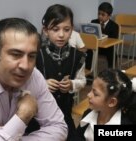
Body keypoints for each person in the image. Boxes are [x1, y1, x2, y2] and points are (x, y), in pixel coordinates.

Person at [34, 4, 86, 141]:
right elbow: (25, 84)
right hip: (38, 116)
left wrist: (72, 84)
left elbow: (82, 81)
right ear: (45, 30)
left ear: (72, 30)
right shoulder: (35, 55)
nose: (61, 35)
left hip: (65, 114)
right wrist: (42, 84)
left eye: (66, 29)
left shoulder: (78, 56)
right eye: (55, 29)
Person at [76, 69, 136, 141]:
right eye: (91, 89)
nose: (88, 95)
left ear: (112, 102)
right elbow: (77, 137)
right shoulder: (88, 113)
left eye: (95, 94)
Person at [85, 2, 119, 70]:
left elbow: (113, 40)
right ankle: (89, 70)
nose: (100, 16)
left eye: (103, 15)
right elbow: (90, 35)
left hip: (107, 49)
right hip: (96, 46)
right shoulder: (94, 22)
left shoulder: (114, 26)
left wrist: (103, 37)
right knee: (89, 51)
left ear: (109, 16)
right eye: (99, 14)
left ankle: (110, 71)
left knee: (112, 53)